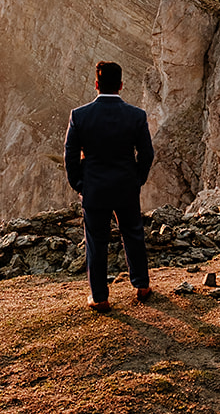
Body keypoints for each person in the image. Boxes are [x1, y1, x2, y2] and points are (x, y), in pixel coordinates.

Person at [64, 61, 155, 312]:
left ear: (96, 85)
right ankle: (142, 285)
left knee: (96, 241)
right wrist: (138, 179)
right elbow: (147, 153)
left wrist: (79, 184)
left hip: (94, 188)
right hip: (126, 186)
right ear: (121, 85)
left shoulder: (79, 116)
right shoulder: (136, 116)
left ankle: (100, 297)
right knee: (133, 234)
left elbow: (70, 156)